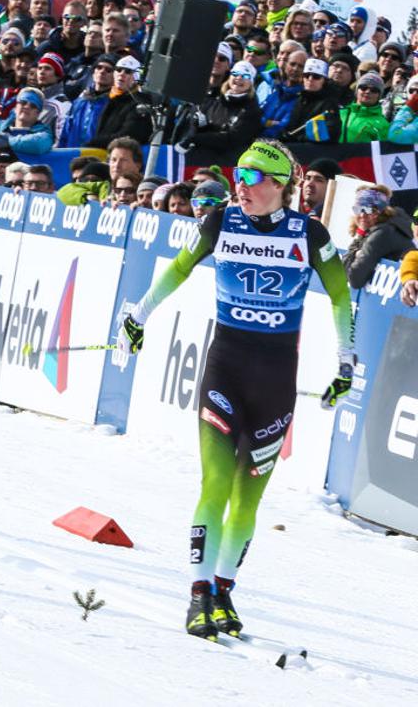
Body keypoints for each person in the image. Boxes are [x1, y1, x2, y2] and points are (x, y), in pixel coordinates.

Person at [118, 139, 354, 642]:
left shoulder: (309, 234)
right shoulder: (220, 222)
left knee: (248, 501)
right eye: (237, 176)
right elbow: (180, 268)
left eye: (250, 178)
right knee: (216, 485)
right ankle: (199, 593)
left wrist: (345, 359)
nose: (239, 187)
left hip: (275, 380)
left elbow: (339, 296)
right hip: (225, 367)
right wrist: (138, 315)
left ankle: (223, 589)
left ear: (278, 186)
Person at [341, 185, 415, 289]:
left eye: (369, 210)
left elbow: (355, 280)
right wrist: (359, 241)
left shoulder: (382, 234)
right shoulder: (386, 226)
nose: (362, 215)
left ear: (381, 212)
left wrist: (358, 245)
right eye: (358, 209)